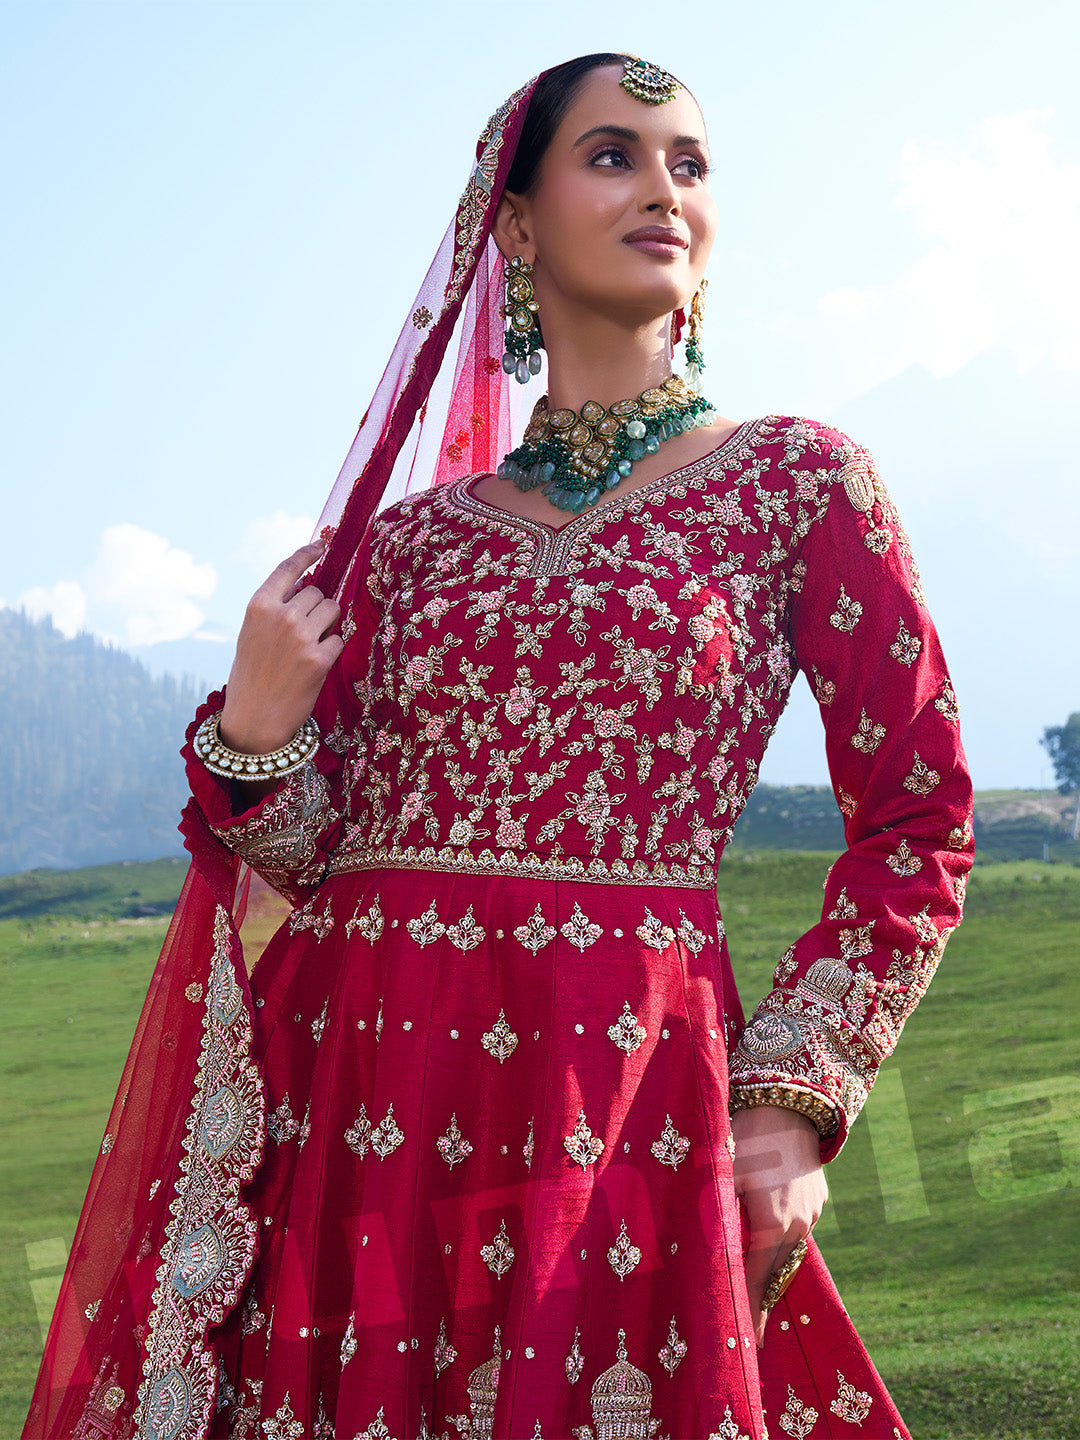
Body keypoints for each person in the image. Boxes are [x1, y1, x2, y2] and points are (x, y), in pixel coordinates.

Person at [23, 53, 973, 1440]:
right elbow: (305, 858)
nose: (663, 187)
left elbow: (924, 815)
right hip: (362, 1088)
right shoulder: (407, 546)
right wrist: (253, 730)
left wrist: (795, 1096)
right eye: (614, 154)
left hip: (621, 1079)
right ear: (513, 226)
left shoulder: (797, 481)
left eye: (690, 164)